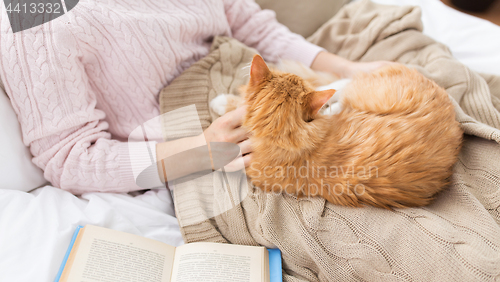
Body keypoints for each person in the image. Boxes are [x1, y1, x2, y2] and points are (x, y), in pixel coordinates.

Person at [0, 0, 388, 194]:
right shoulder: (33, 15)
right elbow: (69, 158)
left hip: (279, 92)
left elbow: (249, 24)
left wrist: (349, 70)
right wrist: (203, 149)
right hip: (209, 152)